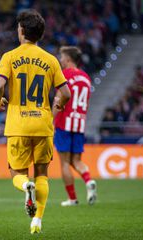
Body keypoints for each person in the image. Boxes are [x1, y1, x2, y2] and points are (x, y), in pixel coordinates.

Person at [0, 9, 71, 234]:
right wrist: (58, 105)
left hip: (18, 125)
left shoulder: (10, 57)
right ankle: (37, 220)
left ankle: (26, 187)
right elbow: (65, 92)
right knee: (43, 174)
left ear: (22, 31)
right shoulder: (51, 60)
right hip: (43, 124)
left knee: (18, 174)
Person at [54, 46, 97, 207]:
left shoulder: (64, 75)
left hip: (64, 122)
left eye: (62, 57)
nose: (60, 60)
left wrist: (51, 119)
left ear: (68, 59)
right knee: (77, 161)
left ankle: (72, 199)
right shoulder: (86, 78)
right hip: (79, 124)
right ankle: (89, 181)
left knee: (65, 163)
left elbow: (59, 99)